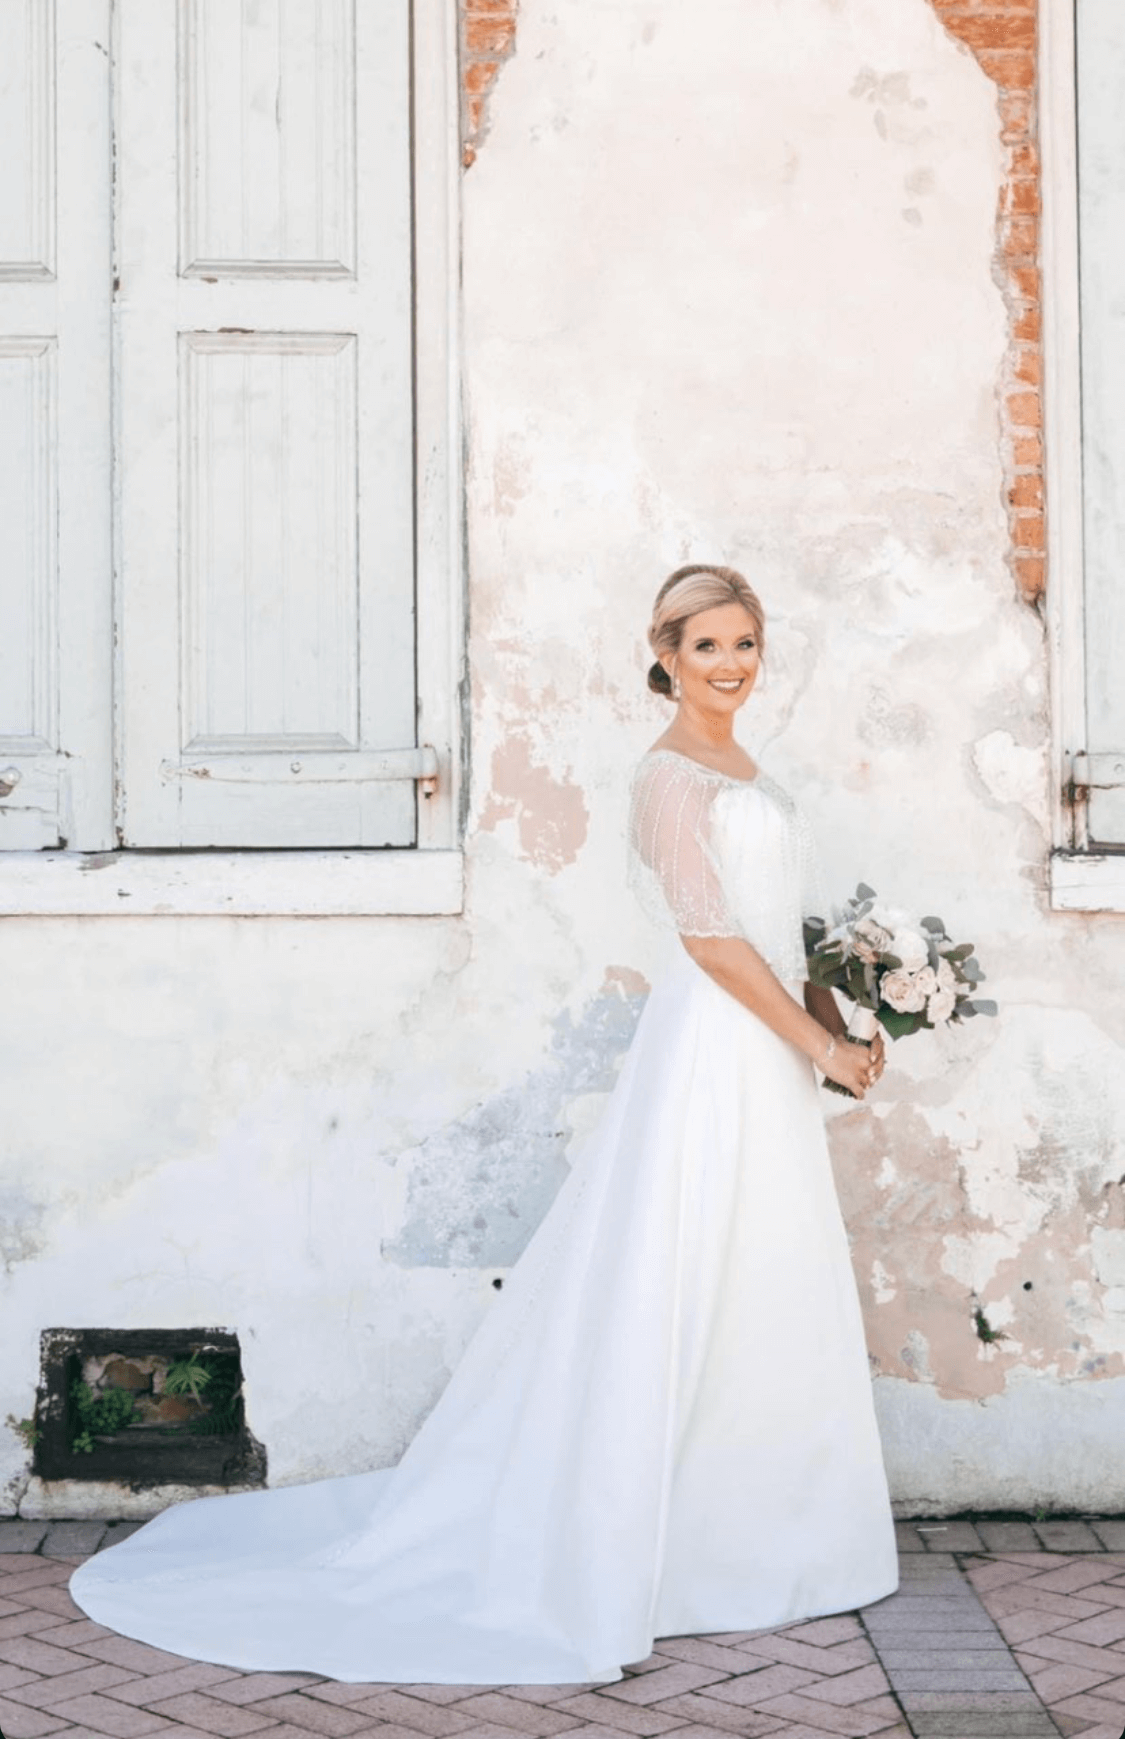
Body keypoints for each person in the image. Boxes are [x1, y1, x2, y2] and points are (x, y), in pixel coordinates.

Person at [71, 565, 898, 1684]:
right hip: (712, 1056)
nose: (734, 665)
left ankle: (760, 1539)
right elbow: (710, 942)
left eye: (748, 644)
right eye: (710, 646)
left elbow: (776, 933)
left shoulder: (750, 767)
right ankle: (661, 1543)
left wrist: (842, 1022)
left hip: (773, 1054)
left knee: (765, 1269)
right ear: (666, 652)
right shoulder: (667, 776)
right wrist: (820, 1048)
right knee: (682, 1270)